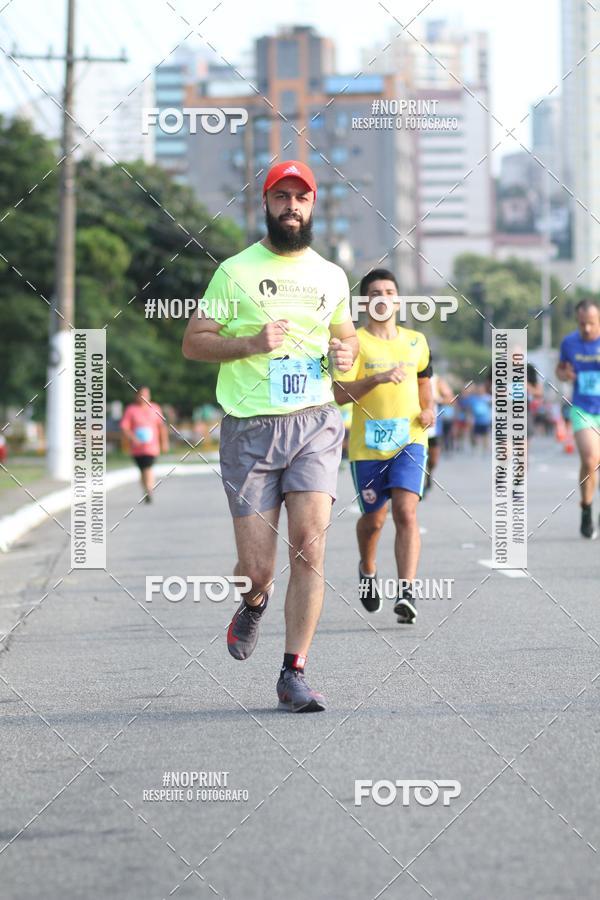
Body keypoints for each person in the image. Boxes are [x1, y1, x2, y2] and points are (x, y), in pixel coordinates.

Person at [182, 160, 358, 712]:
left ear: (313, 205)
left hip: (315, 423)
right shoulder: (233, 271)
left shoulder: (331, 276)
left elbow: (347, 339)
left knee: (309, 546)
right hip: (250, 430)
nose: (291, 206)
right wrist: (251, 344)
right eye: (281, 196)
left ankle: (293, 673)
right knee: (258, 569)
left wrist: (347, 355)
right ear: (266, 204)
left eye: (300, 198)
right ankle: (254, 600)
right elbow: (194, 341)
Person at [332, 268, 434, 624]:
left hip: (410, 441)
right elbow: (339, 394)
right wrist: (376, 378)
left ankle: (406, 592)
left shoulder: (416, 341)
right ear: (364, 302)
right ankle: (367, 568)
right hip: (368, 448)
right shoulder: (355, 343)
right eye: (375, 293)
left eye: (390, 292)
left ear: (399, 300)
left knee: (406, 512)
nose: (383, 298)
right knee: (374, 521)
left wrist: (429, 408)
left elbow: (425, 381)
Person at [556, 299, 600, 539]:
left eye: (591, 323)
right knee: (590, 459)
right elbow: (560, 370)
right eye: (582, 323)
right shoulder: (569, 343)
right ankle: (586, 507)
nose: (587, 328)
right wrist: (565, 374)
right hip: (583, 407)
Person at [120, 387, 169, 503]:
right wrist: (133, 438)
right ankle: (146, 489)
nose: (144, 397)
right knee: (142, 470)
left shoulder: (155, 408)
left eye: (147, 395)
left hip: (151, 447)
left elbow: (162, 427)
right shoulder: (131, 410)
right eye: (142, 395)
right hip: (137, 448)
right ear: (137, 396)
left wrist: (164, 442)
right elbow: (124, 427)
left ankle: (149, 489)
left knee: (148, 467)